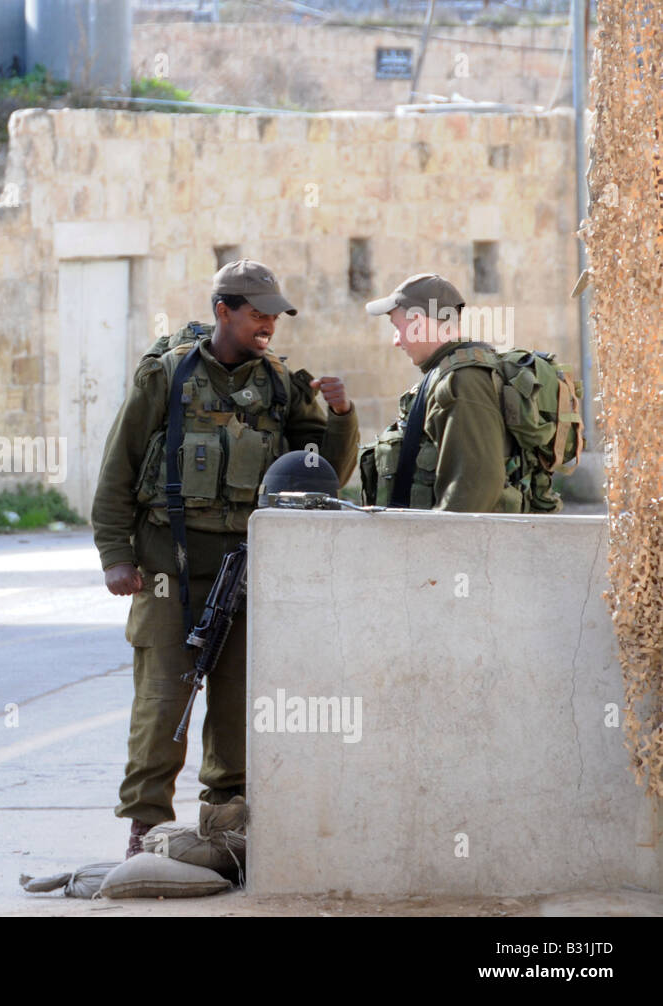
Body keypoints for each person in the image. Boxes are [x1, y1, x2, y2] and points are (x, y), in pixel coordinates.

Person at [91, 259, 359, 858]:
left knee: (237, 700)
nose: (268, 325)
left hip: (246, 566)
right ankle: (145, 825)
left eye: (274, 315)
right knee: (164, 699)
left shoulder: (283, 385)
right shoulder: (164, 376)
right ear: (223, 312)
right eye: (257, 313)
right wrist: (115, 555)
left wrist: (342, 418)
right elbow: (118, 470)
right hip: (168, 564)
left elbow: (323, 477)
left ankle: (226, 821)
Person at [360, 273, 512, 511]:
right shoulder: (447, 373)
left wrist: (436, 545)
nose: (396, 340)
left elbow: (472, 490)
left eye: (398, 327)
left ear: (419, 323)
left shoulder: (462, 381)